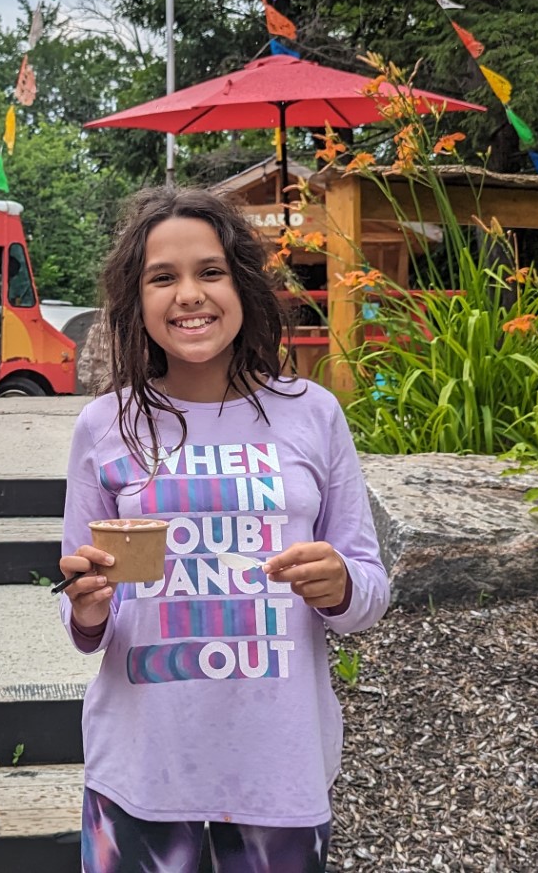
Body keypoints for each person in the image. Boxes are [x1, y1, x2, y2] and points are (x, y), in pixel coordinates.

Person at [55, 187, 389, 873]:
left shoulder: (312, 414)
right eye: (162, 278)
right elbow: (82, 606)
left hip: (279, 767)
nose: (189, 295)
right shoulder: (103, 426)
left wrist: (340, 585)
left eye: (210, 271)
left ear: (242, 283)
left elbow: (369, 590)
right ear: (136, 301)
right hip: (143, 770)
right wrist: (86, 607)